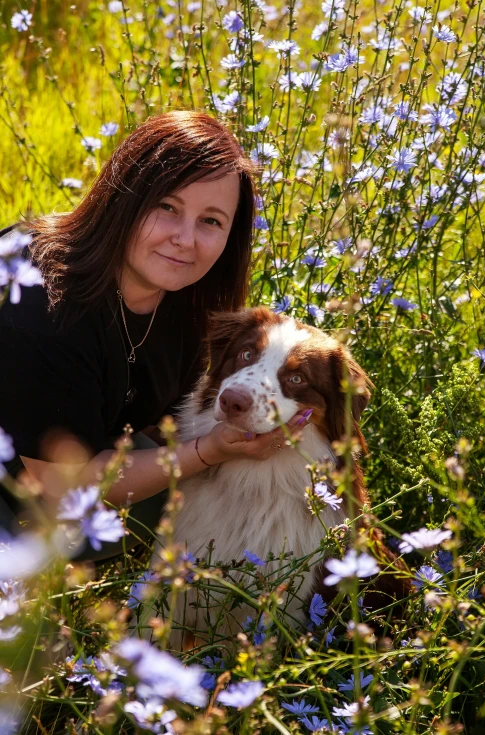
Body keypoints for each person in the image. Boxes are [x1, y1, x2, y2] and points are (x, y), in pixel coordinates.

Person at [0, 110, 308, 562]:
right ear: (123, 197)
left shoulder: (187, 297)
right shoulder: (39, 305)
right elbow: (61, 486)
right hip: (32, 483)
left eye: (211, 221)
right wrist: (207, 452)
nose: (185, 239)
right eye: (167, 207)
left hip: (80, 455)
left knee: (202, 504)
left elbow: (156, 422)